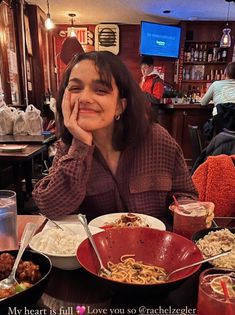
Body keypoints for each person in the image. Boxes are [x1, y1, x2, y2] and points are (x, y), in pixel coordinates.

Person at [33, 51, 197, 221]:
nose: (85, 98)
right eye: (75, 88)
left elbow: (185, 193)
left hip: (154, 244)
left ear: (120, 106)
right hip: (94, 246)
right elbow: (50, 208)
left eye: (101, 90)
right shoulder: (68, 149)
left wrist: (186, 212)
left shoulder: (157, 139)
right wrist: (81, 146)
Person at [200, 61, 235, 137]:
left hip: (220, 128)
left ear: (225, 74)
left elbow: (203, 103)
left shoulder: (216, 84)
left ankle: (213, 147)